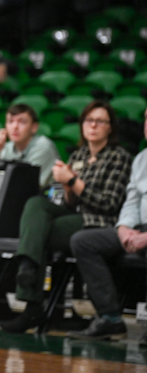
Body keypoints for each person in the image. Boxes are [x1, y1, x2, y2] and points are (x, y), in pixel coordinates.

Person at [0, 100, 133, 333]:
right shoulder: (78, 154)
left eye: (100, 121)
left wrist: (72, 181)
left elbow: (108, 205)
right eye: (89, 120)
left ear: (110, 128)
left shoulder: (118, 157)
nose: (93, 126)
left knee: (38, 232)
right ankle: (28, 268)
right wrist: (68, 188)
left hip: (98, 222)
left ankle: (32, 304)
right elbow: (70, 202)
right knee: (36, 203)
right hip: (73, 216)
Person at [67, 109, 147, 342]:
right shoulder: (142, 159)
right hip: (138, 227)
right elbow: (131, 200)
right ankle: (110, 318)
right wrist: (123, 228)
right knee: (83, 241)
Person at [0, 103, 59, 188]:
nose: (15, 127)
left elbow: (29, 185)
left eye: (22, 122)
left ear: (34, 127)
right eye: (10, 121)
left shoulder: (43, 147)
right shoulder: (6, 147)